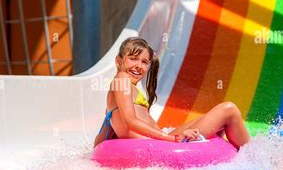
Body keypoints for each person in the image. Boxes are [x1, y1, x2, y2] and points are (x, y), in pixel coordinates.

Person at [93, 37, 250, 149]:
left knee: (212, 119)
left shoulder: (121, 89)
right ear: (119, 61)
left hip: (159, 140)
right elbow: (130, 121)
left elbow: (108, 126)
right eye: (133, 59)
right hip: (157, 144)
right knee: (228, 110)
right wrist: (173, 139)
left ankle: (229, 153)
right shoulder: (122, 78)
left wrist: (97, 151)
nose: (139, 66)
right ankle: (253, 156)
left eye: (144, 62)